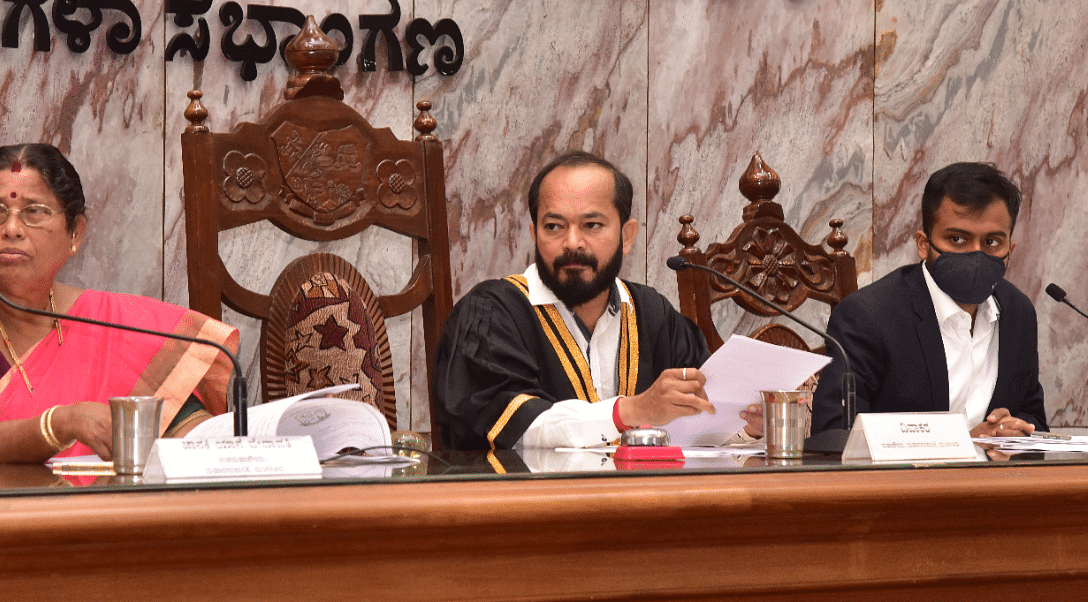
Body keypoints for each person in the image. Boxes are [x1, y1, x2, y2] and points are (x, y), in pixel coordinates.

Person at [0, 143, 239, 467]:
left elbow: (176, 422)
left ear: (75, 233)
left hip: (93, 524)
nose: (11, 228)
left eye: (34, 212)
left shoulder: (104, 320)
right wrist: (60, 423)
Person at [433, 151, 762, 450]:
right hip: (526, 511)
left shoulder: (653, 314)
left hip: (646, 509)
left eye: (592, 225)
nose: (572, 243)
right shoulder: (492, 314)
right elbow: (518, 430)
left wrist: (749, 427)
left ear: (627, 236)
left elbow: (701, 425)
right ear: (535, 236)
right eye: (553, 227)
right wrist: (630, 411)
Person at [811, 162, 1046, 437]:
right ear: (923, 244)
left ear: (1011, 249)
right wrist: (961, 443)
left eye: (992, 242)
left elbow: (1033, 418)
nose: (975, 254)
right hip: (902, 480)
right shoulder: (868, 316)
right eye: (957, 239)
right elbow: (835, 432)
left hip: (996, 480)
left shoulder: (1018, 312)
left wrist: (1018, 431)